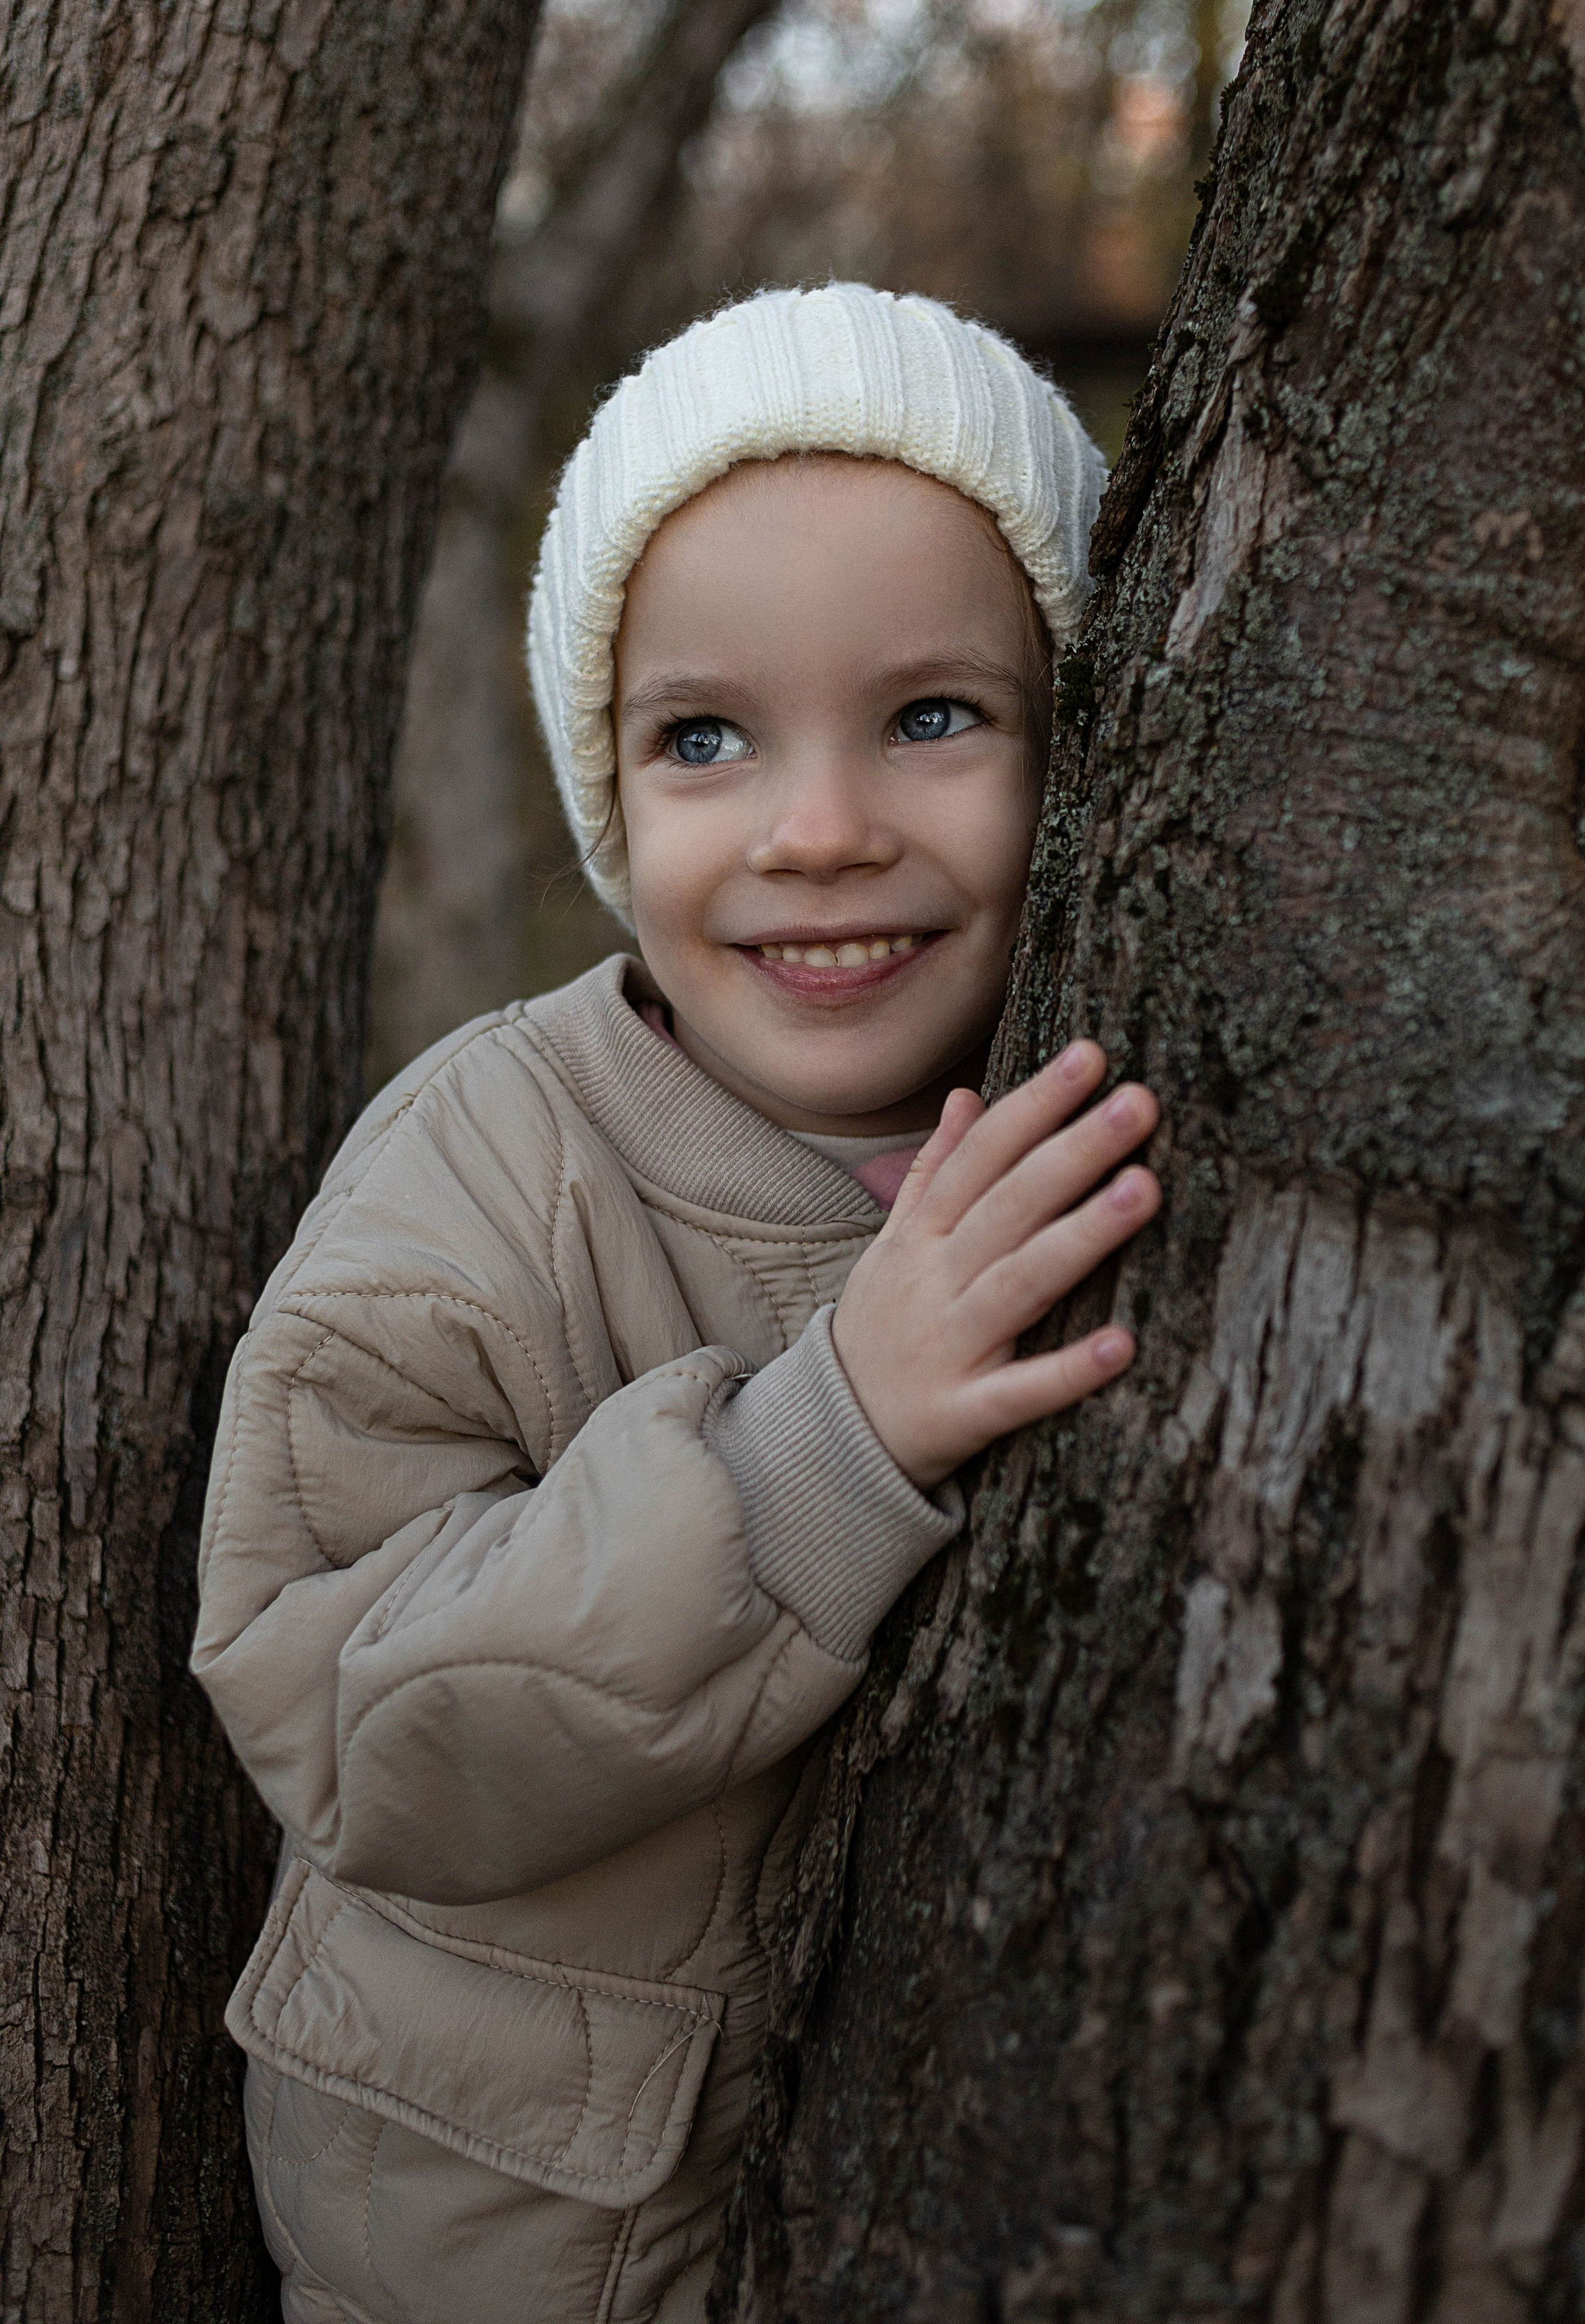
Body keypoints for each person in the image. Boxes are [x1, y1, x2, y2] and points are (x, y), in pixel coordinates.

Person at [192, 283, 1162, 2324]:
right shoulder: (485, 1161)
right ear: (612, 794)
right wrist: (817, 1454)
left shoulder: (1101, 1111)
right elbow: (344, 1704)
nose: (818, 831)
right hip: (500, 2245)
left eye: (932, 717)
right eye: (705, 738)